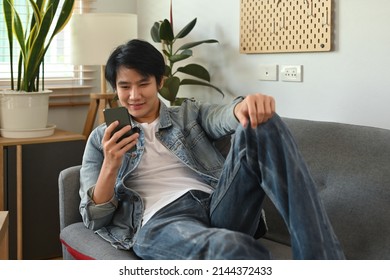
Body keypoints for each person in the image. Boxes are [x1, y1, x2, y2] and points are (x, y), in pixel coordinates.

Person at [79, 39, 345, 260]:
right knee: (231, 249)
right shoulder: (100, 139)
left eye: (143, 83)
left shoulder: (188, 114)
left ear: (160, 82)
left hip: (217, 206)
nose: (134, 95)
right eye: (125, 87)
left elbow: (222, 117)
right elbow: (93, 219)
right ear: (116, 89)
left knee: (261, 124)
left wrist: (244, 107)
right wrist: (111, 165)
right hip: (158, 222)